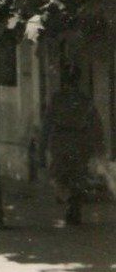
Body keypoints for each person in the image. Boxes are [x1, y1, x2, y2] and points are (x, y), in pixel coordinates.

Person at [45, 64, 105, 226]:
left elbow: (48, 122)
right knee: (78, 174)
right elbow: (95, 124)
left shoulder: (56, 99)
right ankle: (74, 202)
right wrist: (99, 146)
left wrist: (43, 142)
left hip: (61, 140)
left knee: (59, 174)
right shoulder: (85, 100)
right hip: (81, 140)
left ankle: (70, 199)